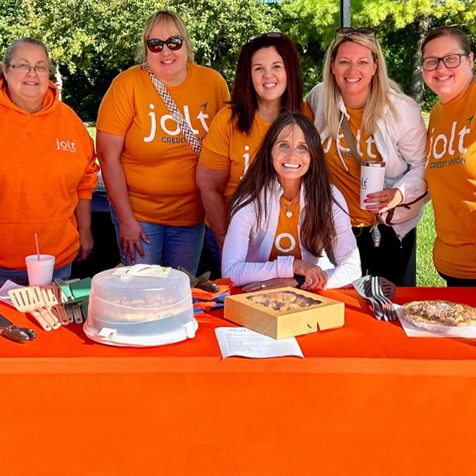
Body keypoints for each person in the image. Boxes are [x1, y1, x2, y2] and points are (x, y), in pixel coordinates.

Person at [97, 10, 230, 274]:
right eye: (155, 44)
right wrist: (126, 219)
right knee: (140, 293)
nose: (165, 52)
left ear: (187, 45)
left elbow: (227, 147)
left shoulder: (212, 83)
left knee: (180, 291)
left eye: (174, 42)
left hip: (191, 218)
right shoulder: (127, 84)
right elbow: (107, 156)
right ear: (146, 50)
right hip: (139, 215)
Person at [306, 28, 427, 287]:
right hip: (335, 232)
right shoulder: (319, 99)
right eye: (344, 62)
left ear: (375, 66)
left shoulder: (401, 109)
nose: (353, 70)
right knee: (342, 311)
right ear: (332, 66)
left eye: (362, 62)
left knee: (389, 310)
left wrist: (399, 193)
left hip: (387, 231)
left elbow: (424, 164)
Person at [197, 33, 313, 273]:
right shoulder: (228, 120)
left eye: (276, 66)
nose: (268, 75)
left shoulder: (305, 115)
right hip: (238, 237)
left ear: (289, 71)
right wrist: (225, 238)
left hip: (289, 240)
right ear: (248, 75)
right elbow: (209, 186)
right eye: (259, 68)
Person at [222, 112, 361, 291]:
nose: (292, 155)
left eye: (302, 147)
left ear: (313, 156)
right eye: (283, 145)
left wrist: (297, 281)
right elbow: (230, 271)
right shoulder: (250, 200)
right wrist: (292, 266)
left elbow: (353, 268)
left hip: (313, 296)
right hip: (257, 295)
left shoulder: (329, 198)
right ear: (270, 152)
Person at [0, 38, 98, 286]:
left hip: (58, 262)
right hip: (2, 265)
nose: (32, 74)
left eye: (40, 67)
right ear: (5, 69)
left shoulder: (69, 121)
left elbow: (86, 179)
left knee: (56, 324)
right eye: (22, 65)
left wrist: (84, 231)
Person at [421, 27, 476, 287]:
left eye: (451, 58)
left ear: (470, 60)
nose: (441, 68)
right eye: (431, 61)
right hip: (453, 266)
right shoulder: (437, 114)